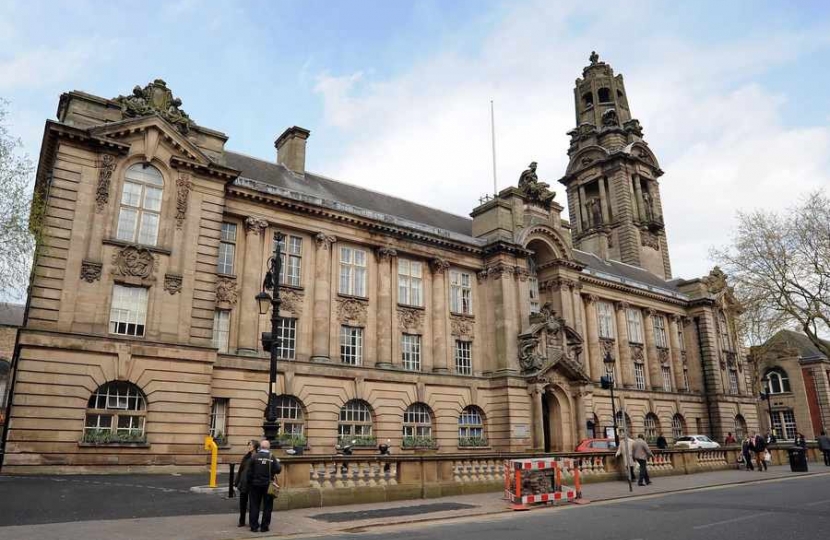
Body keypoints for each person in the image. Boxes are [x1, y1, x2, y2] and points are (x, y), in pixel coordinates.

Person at [247, 439, 282, 533]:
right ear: (268, 447)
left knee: (254, 505)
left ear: (260, 447)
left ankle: (254, 527)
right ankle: (264, 527)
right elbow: (278, 470)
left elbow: (249, 472)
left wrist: (250, 482)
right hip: (268, 485)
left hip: (255, 485)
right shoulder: (272, 457)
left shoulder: (254, 456)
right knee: (267, 506)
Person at [235, 439, 259, 528]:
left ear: (255, 447)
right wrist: (237, 481)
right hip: (244, 483)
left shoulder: (257, 457)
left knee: (253, 504)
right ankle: (241, 521)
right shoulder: (246, 457)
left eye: (250, 445)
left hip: (253, 484)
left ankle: (252, 522)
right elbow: (241, 470)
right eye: (248, 445)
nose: (249, 446)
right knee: (242, 504)